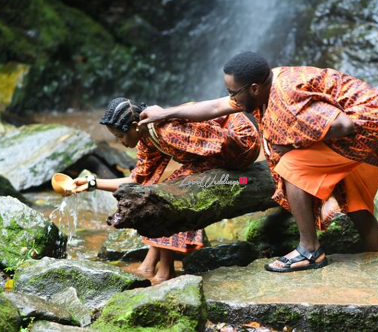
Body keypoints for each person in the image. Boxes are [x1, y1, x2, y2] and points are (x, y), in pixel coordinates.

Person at [138, 51, 378, 273]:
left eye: (233, 92)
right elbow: (214, 108)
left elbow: (342, 125)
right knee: (355, 202)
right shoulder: (265, 86)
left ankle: (310, 250)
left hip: (366, 127)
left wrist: (290, 142)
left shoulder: (286, 97)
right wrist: (166, 113)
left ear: (254, 88)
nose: (230, 97)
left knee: (291, 166)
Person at [73, 97, 260, 282]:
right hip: (218, 150)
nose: (120, 141)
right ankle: (150, 264)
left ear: (136, 125)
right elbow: (136, 179)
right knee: (160, 188)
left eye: (120, 135)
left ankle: (165, 271)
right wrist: (92, 183)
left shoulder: (169, 130)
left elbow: (219, 143)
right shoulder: (147, 138)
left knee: (173, 192)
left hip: (242, 143)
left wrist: (212, 177)